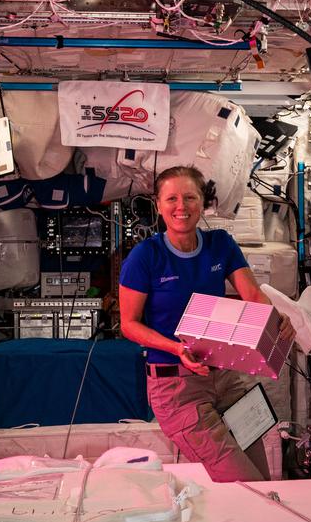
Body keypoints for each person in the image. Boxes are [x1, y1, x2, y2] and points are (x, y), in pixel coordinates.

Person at [119, 165, 295, 482]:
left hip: (226, 380)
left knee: (263, 476)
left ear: (203, 203)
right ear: (158, 205)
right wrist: (176, 348)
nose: (181, 207)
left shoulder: (220, 244)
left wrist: (276, 322)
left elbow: (253, 295)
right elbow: (129, 325)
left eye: (190, 197)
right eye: (171, 198)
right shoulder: (145, 256)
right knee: (243, 480)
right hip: (177, 389)